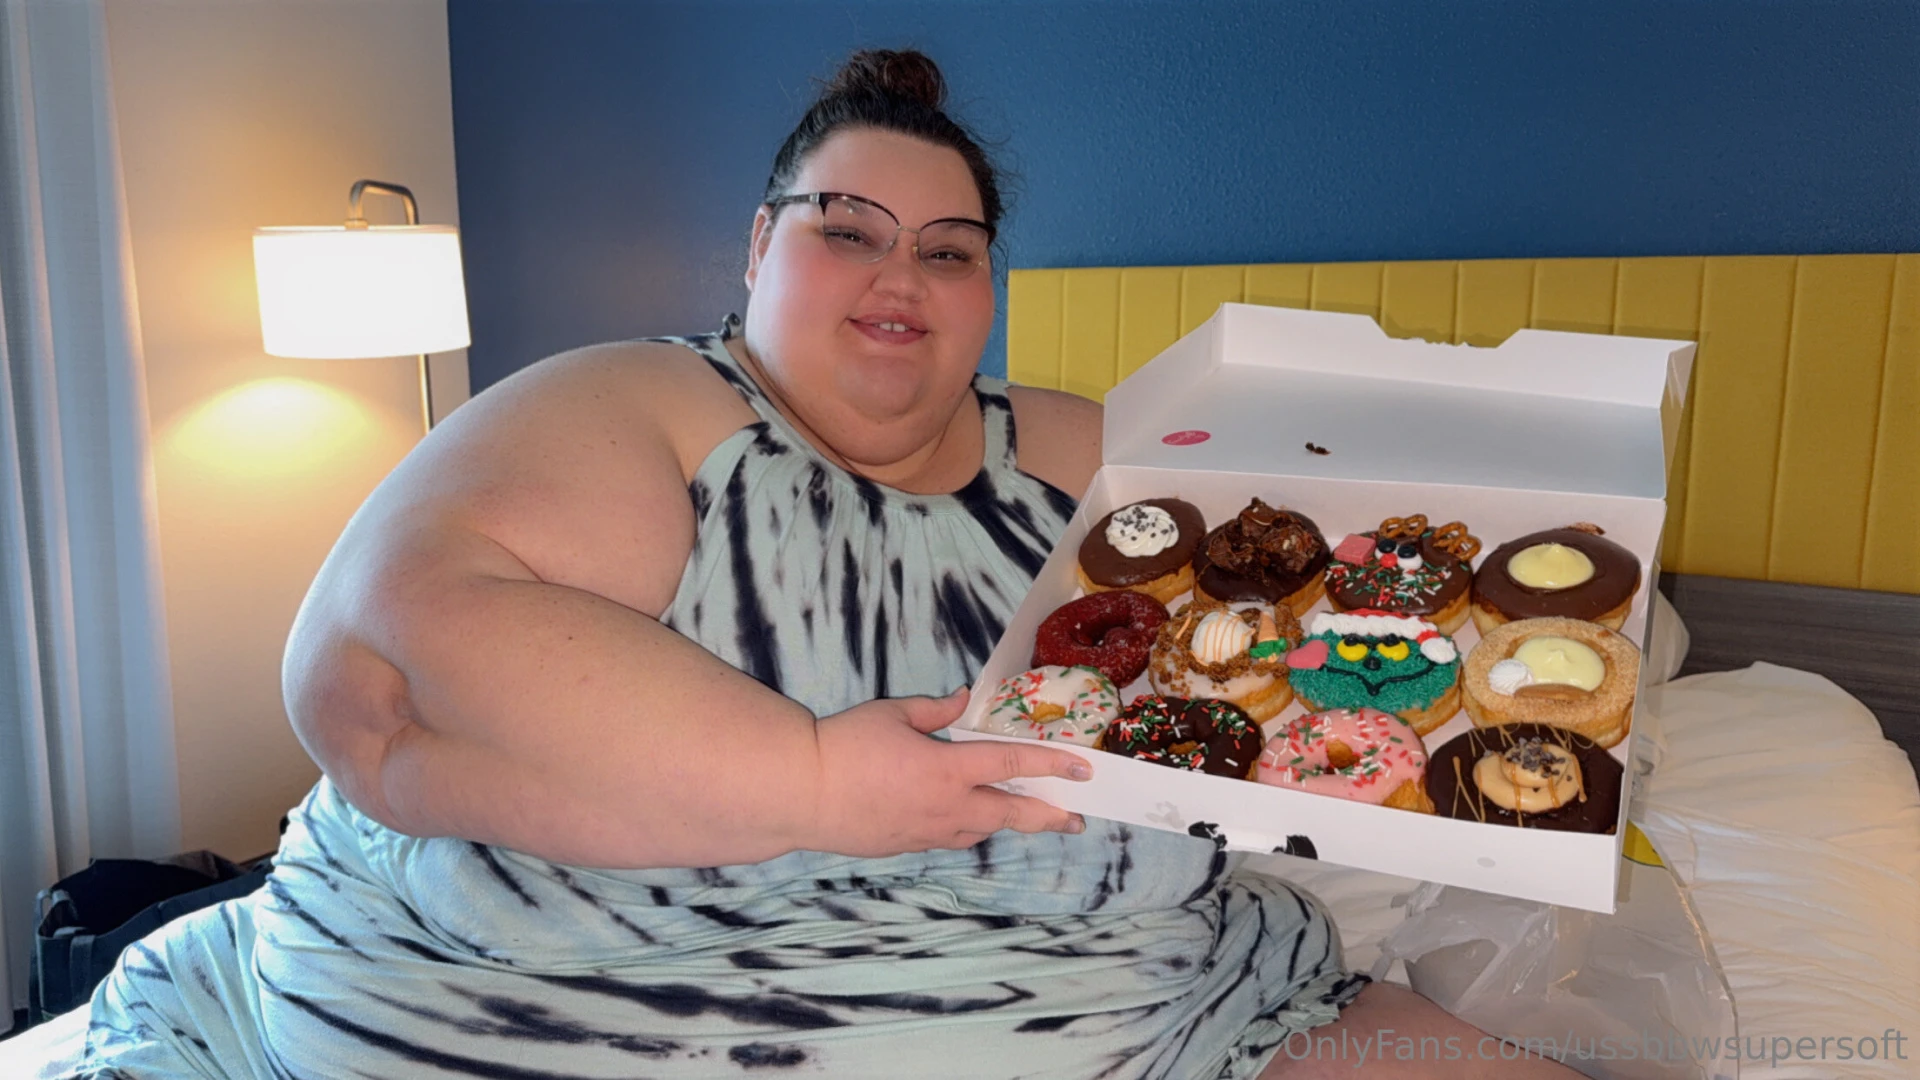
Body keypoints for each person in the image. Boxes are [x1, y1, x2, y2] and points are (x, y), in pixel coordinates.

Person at [78, 49, 1578, 1079]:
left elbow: (1328, 608)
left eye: (949, 247)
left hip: (1147, 1009)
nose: (900, 274)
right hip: (557, 1012)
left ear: (987, 287)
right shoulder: (646, 409)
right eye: (847, 229)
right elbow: (369, 672)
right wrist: (807, 783)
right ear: (757, 248)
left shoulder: (1090, 451)